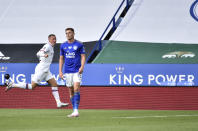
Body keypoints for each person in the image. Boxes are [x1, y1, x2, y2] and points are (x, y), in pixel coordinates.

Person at [5, 34, 69, 108]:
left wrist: (43, 57)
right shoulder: (47, 46)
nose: (54, 40)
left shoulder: (51, 47)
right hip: (41, 69)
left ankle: (58, 103)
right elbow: (38, 53)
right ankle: (12, 84)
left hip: (46, 70)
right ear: (49, 40)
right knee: (32, 86)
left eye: (55, 39)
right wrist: (43, 55)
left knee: (54, 84)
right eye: (52, 39)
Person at [59, 28, 85, 117]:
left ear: (73, 33)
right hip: (67, 71)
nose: (68, 34)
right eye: (66, 33)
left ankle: (76, 110)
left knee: (76, 88)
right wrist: (60, 71)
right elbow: (61, 58)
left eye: (69, 33)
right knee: (71, 91)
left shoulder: (79, 44)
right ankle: (74, 111)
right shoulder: (63, 45)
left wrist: (82, 66)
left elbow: (83, 56)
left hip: (77, 70)